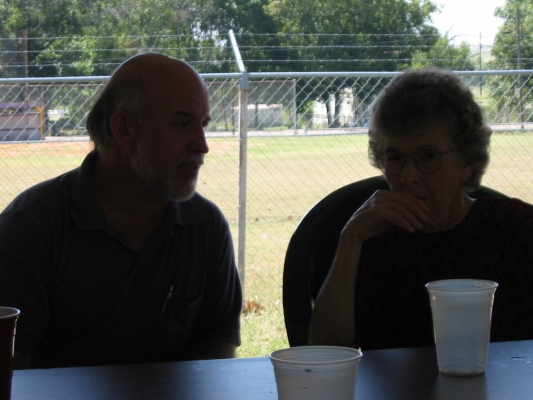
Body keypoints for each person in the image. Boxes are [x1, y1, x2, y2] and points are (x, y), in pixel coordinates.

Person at [0, 52, 242, 369]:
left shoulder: (205, 226)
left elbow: (218, 342)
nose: (202, 145)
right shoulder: (31, 228)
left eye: (203, 125)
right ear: (124, 128)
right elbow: (12, 370)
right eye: (182, 124)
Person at [309, 68, 533, 350]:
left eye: (428, 156)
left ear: (467, 162)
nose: (408, 176)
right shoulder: (369, 238)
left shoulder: (516, 230)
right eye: (395, 158)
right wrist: (351, 240)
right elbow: (325, 354)